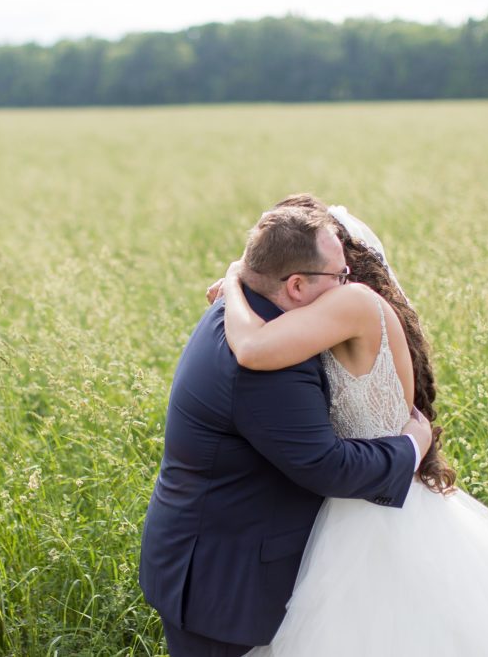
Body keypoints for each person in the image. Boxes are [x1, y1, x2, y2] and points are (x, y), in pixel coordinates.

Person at [217, 194, 488, 656]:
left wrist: (236, 280)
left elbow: (254, 350)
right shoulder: (343, 307)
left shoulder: (353, 303)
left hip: (377, 507)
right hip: (370, 491)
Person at [138, 201, 434, 657]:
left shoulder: (247, 313)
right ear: (296, 284)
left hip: (230, 548)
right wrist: (412, 445)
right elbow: (325, 465)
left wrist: (236, 276)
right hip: (223, 584)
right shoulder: (264, 355)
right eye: (340, 274)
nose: (348, 281)